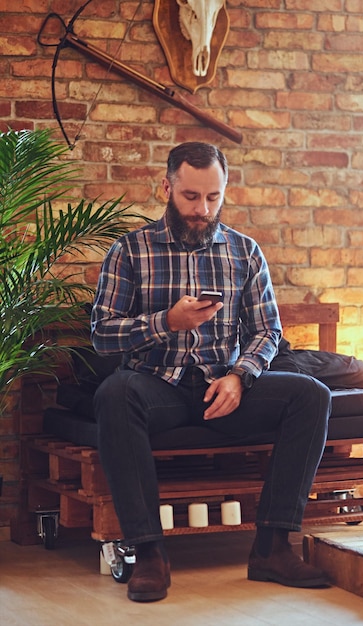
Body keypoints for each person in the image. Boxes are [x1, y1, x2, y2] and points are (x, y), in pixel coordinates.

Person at [91, 142, 332, 603]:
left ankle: (272, 547)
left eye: (213, 198)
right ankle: (149, 554)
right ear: (166, 187)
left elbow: (267, 332)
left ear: (224, 192)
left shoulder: (245, 252)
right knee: (115, 393)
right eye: (190, 196)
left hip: (222, 389)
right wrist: (168, 322)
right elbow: (103, 334)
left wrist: (240, 376)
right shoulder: (129, 252)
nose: (202, 209)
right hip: (157, 388)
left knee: (311, 394)